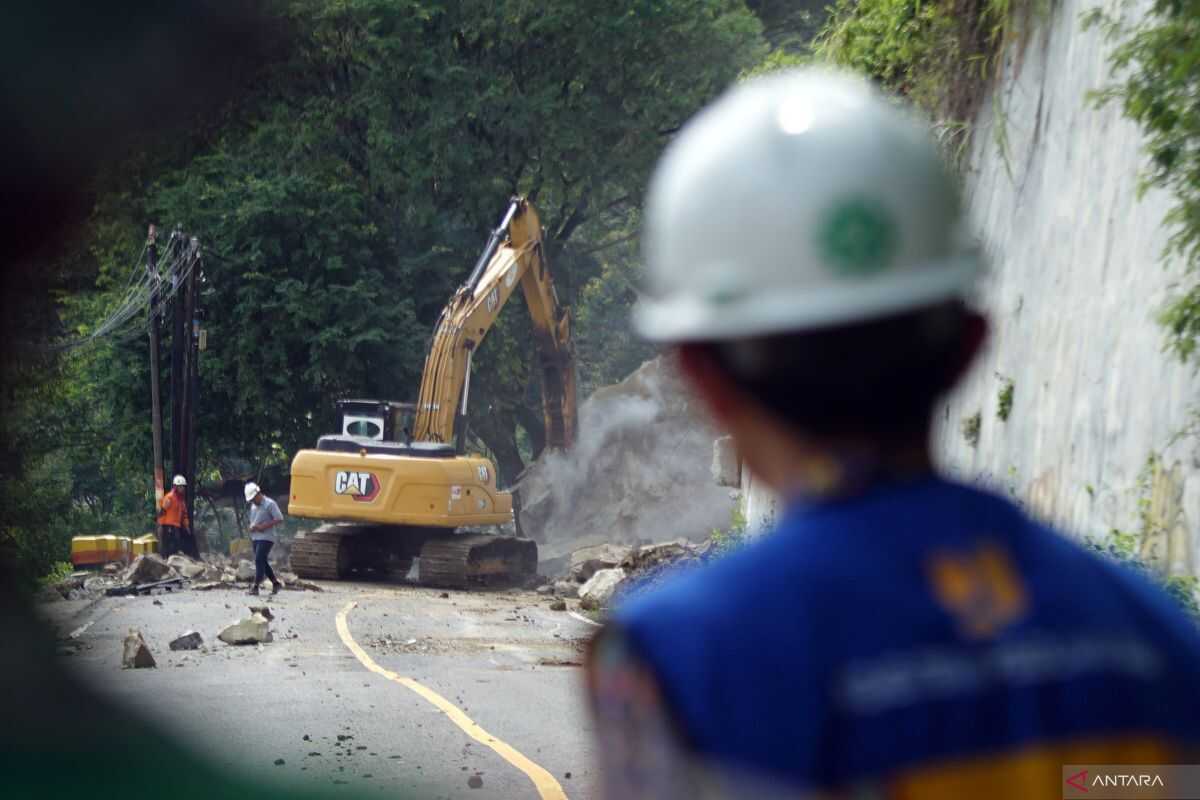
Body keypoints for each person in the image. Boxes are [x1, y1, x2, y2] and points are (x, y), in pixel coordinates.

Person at [586, 68, 1200, 798]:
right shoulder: (1155, 640)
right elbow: (1126, 788)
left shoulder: (681, 656)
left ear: (701, 376)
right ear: (970, 347)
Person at [244, 481, 284, 595]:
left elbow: (279, 518)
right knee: (262, 561)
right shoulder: (253, 506)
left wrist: (263, 526)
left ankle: (255, 587)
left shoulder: (270, 504)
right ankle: (276, 584)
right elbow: (254, 520)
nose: (252, 501)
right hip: (256, 536)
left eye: (253, 499)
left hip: (267, 537)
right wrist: (252, 527)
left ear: (258, 494)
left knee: (258, 559)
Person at [157, 474, 198, 559]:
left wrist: (186, 526)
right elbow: (162, 511)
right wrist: (161, 524)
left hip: (176, 525)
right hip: (168, 525)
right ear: (175, 487)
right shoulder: (169, 497)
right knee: (170, 545)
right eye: (180, 486)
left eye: (183, 487)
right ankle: (167, 560)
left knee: (176, 543)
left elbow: (184, 515)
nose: (182, 488)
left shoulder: (181, 500)